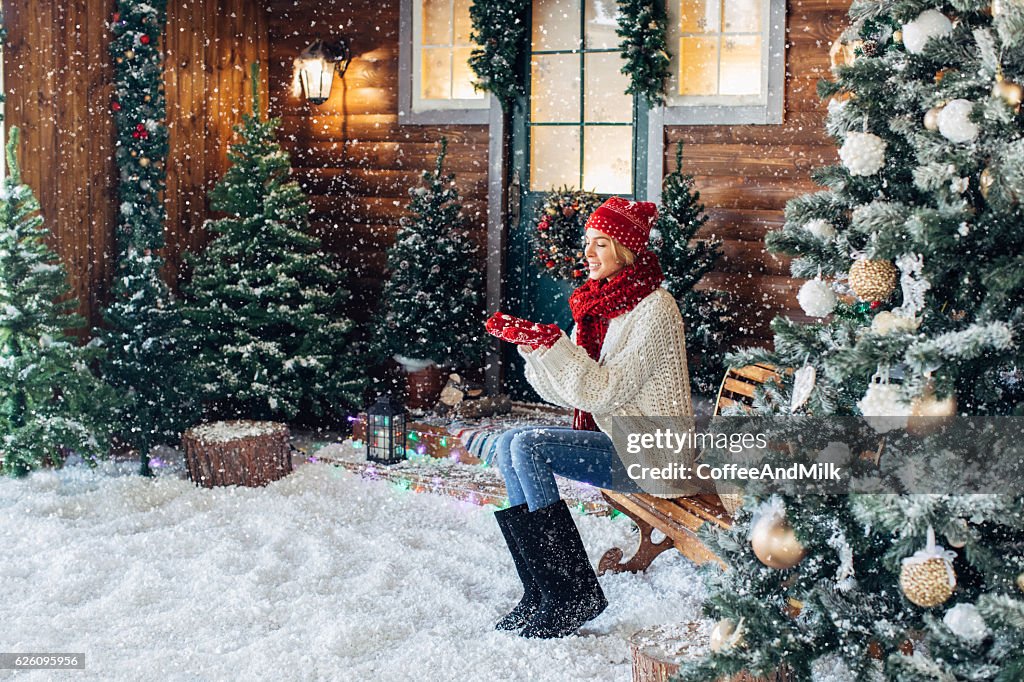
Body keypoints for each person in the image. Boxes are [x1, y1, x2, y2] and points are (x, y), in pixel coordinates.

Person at [484, 196, 694, 639]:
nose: (588, 254)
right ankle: (543, 589)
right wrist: (538, 348)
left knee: (529, 445)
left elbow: (603, 390)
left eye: (600, 243)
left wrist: (556, 347)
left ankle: (569, 594)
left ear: (624, 248)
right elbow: (563, 391)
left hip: (653, 453)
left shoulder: (655, 308)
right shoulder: (597, 305)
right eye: (588, 243)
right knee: (509, 443)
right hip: (618, 439)